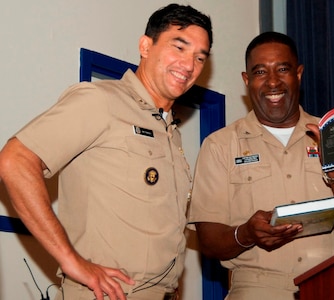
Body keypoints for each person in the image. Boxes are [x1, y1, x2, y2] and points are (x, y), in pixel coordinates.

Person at [0, 4, 212, 300]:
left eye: (199, 58)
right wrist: (71, 261)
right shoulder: (100, 101)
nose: (189, 65)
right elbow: (15, 161)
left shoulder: (170, 131)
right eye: (179, 47)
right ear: (145, 46)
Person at [188, 31, 334, 300]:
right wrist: (246, 234)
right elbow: (208, 240)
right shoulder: (220, 145)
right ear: (246, 80)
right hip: (257, 289)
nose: (272, 82)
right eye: (259, 72)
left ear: (298, 74)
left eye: (282, 69)